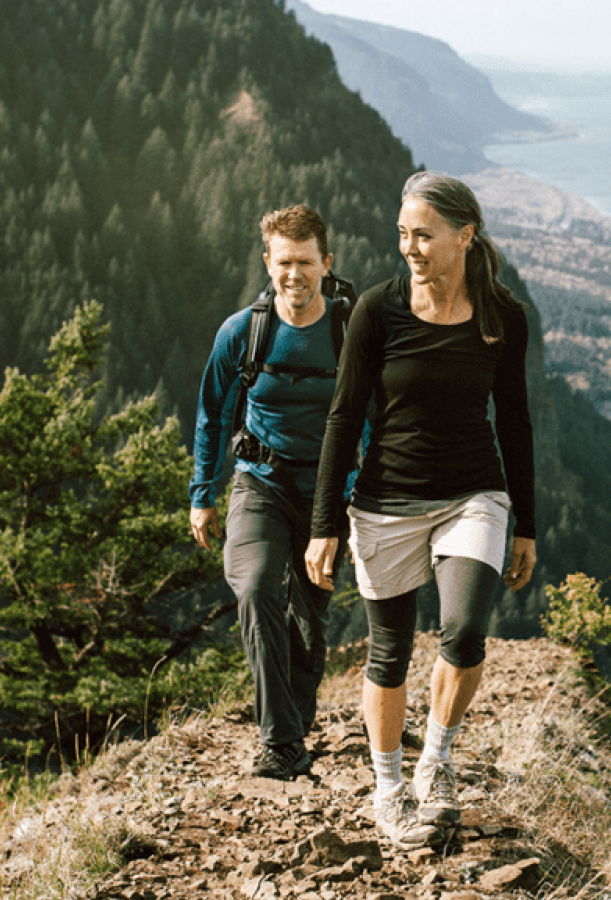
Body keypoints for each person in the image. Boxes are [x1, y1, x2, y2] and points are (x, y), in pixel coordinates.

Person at [304, 172, 536, 849]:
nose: (408, 246)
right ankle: (387, 788)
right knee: (390, 653)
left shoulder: (502, 317)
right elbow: (345, 417)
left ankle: (436, 758)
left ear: (466, 236)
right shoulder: (377, 311)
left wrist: (525, 520)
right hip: (385, 502)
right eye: (402, 233)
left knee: (463, 632)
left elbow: (515, 421)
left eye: (423, 235)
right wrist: (323, 524)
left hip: (474, 494)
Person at [190, 204, 349, 781]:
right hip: (258, 482)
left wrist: (348, 499)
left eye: (306, 262)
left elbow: (375, 420)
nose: (294, 275)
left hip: (327, 494)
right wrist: (201, 494)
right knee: (255, 587)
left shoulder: (349, 332)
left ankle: (295, 721)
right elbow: (212, 413)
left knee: (309, 617)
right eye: (284, 263)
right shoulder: (243, 332)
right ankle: (281, 743)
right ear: (268, 262)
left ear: (325, 263)